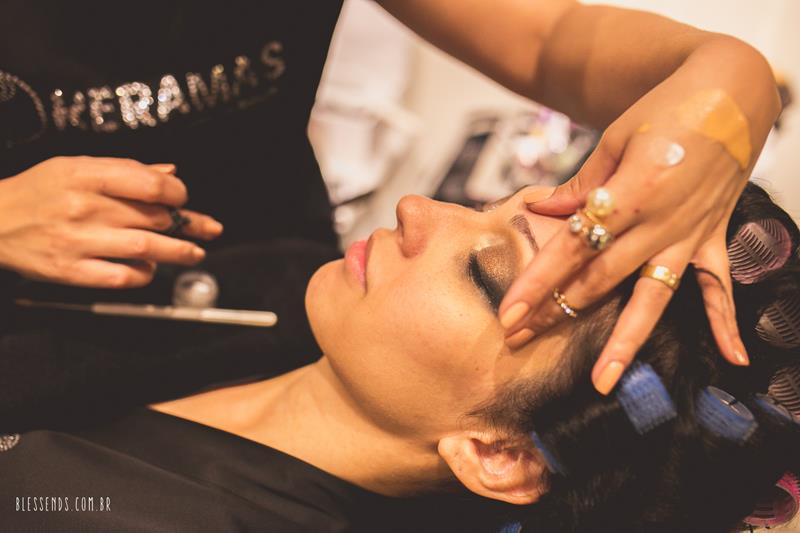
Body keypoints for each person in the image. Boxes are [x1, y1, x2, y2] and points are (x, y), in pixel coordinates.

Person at [0, 1, 781, 429]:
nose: (412, 208)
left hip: (268, 301)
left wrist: (734, 78)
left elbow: (547, 37)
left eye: (484, 268)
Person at [1, 184, 797, 532]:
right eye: (487, 205)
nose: (420, 209)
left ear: (498, 452)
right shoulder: (280, 287)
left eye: (484, 273)